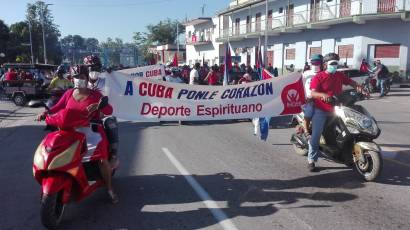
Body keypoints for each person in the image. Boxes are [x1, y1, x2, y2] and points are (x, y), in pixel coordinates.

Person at [37, 64, 118, 203]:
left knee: (101, 160)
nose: (78, 80)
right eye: (75, 77)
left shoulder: (95, 94)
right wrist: (45, 113)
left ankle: (109, 189)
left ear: (86, 78)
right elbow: (58, 107)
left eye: (81, 77)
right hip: (70, 131)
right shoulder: (68, 93)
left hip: (92, 131)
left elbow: (109, 110)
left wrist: (101, 106)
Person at [308, 53, 364, 172]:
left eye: (336, 64)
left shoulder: (339, 75)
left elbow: (350, 82)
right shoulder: (318, 77)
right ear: (325, 65)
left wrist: (359, 87)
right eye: (332, 64)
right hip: (321, 110)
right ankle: (311, 159)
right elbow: (313, 93)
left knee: (348, 130)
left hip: (337, 109)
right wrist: (323, 95)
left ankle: (347, 155)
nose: (334, 66)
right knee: (316, 135)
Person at [84, 55, 120, 168]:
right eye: (91, 68)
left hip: (102, 115)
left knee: (110, 122)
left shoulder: (106, 81)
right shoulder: (80, 83)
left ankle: (113, 155)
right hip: (83, 116)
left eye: (97, 68)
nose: (94, 71)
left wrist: (112, 75)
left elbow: (119, 88)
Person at [301, 54, 323, 136]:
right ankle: (306, 131)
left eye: (317, 63)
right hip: (308, 100)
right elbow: (301, 85)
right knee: (308, 114)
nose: (315, 65)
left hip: (320, 100)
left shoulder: (323, 74)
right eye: (313, 63)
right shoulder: (306, 73)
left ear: (321, 63)